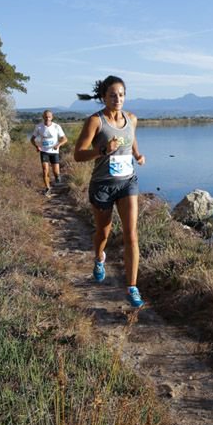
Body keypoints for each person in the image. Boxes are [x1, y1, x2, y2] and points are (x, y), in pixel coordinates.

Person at [73, 76, 146, 307]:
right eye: (113, 95)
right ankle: (99, 258)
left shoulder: (131, 118)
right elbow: (78, 154)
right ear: (103, 97)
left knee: (131, 235)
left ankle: (132, 287)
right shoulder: (95, 121)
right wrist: (103, 149)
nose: (118, 99)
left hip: (127, 183)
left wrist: (137, 155)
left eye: (122, 94)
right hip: (103, 185)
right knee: (103, 233)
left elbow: (131, 139)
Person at [30, 109, 68, 195]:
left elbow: (65, 139)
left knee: (56, 172)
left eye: (49, 117)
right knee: (45, 170)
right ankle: (47, 188)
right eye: (46, 117)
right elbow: (32, 139)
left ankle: (57, 177)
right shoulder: (39, 127)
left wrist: (58, 145)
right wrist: (37, 146)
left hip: (54, 151)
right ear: (43, 117)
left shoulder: (56, 127)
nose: (47, 118)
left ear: (52, 117)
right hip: (44, 151)